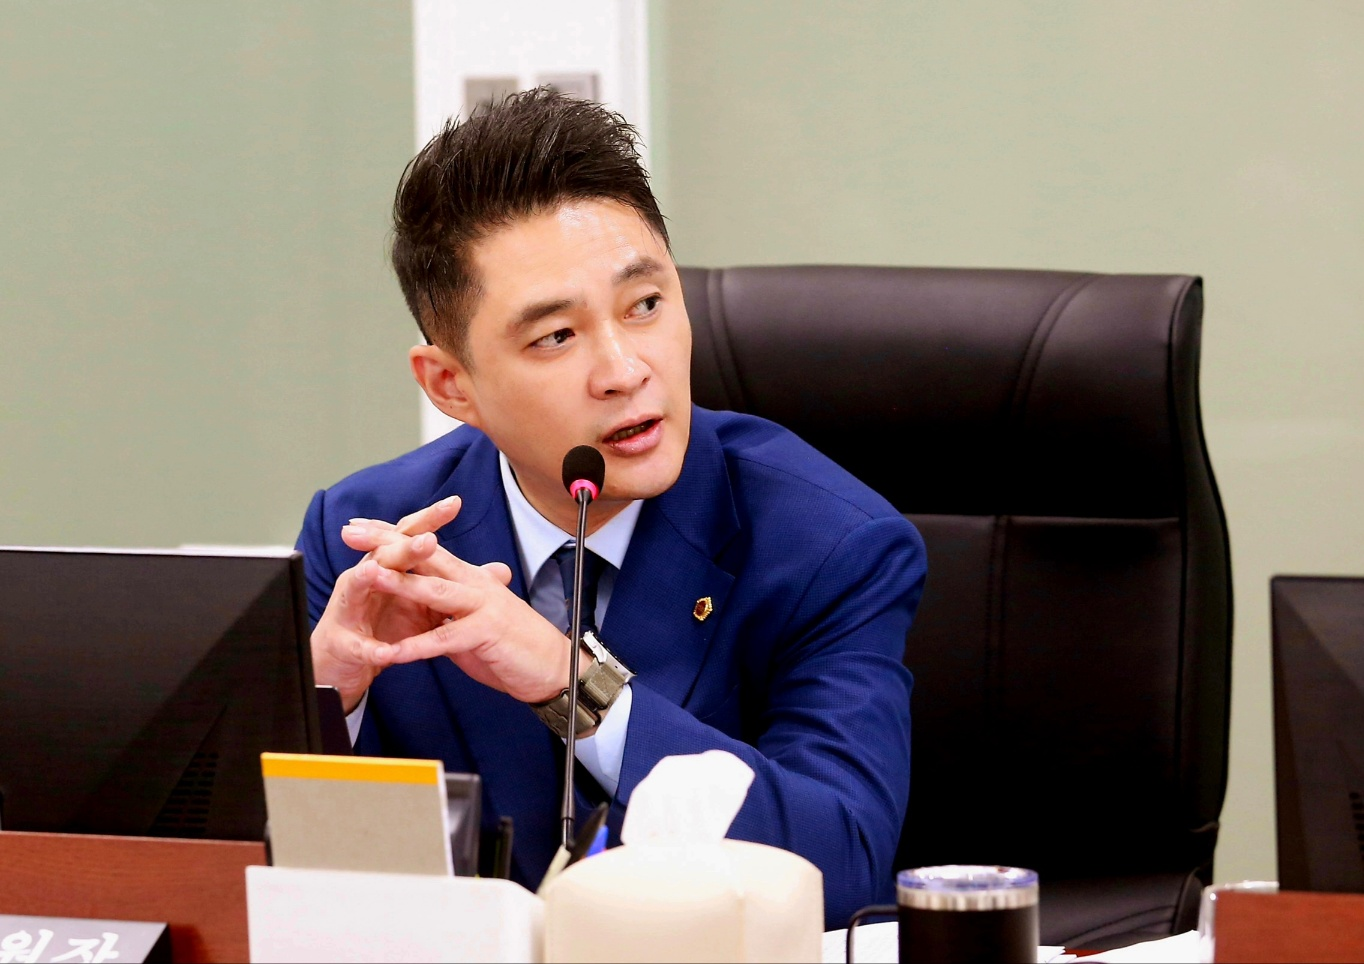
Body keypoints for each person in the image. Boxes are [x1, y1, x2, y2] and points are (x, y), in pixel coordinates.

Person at [297, 88, 926, 928]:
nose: (626, 370)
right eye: (556, 336)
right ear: (450, 385)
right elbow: (272, 891)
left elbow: (840, 868)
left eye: (646, 305)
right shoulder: (365, 536)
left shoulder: (832, 546)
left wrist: (580, 691)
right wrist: (321, 703)